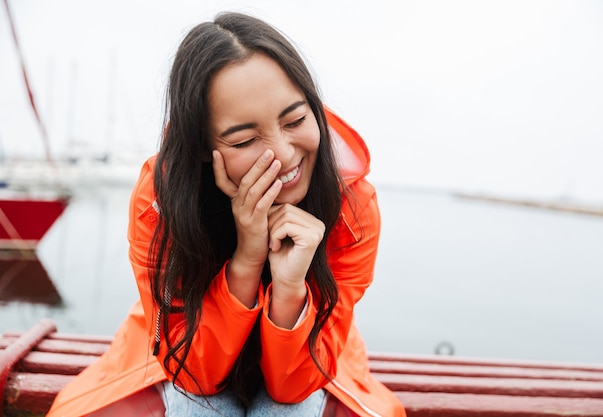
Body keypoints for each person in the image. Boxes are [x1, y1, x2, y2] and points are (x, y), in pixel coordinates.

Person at [47, 11, 406, 417]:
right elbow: (193, 374)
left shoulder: (351, 210)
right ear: (201, 146)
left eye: (296, 119)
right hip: (180, 358)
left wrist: (289, 291)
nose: (284, 155)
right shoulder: (160, 200)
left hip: (315, 364)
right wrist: (247, 259)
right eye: (246, 139)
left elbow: (295, 386)